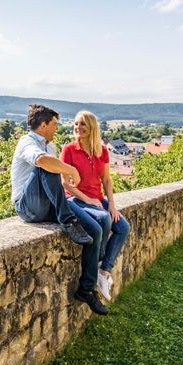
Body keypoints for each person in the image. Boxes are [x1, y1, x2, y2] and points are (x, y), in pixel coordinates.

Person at [11, 104, 108, 315]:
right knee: (46, 165)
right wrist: (70, 168)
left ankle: (87, 289)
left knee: (96, 229)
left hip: (51, 204)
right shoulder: (27, 142)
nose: (56, 129)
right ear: (43, 125)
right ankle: (67, 219)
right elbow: (43, 162)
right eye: (54, 125)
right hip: (27, 207)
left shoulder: (51, 146)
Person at [60, 111, 131, 303]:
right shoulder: (68, 150)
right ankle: (99, 263)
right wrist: (88, 200)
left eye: (83, 124)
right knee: (103, 219)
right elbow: (65, 184)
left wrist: (113, 205)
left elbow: (106, 179)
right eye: (76, 124)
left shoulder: (102, 150)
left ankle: (104, 270)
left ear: (92, 128)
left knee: (123, 227)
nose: (78, 128)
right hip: (77, 199)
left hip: (98, 199)